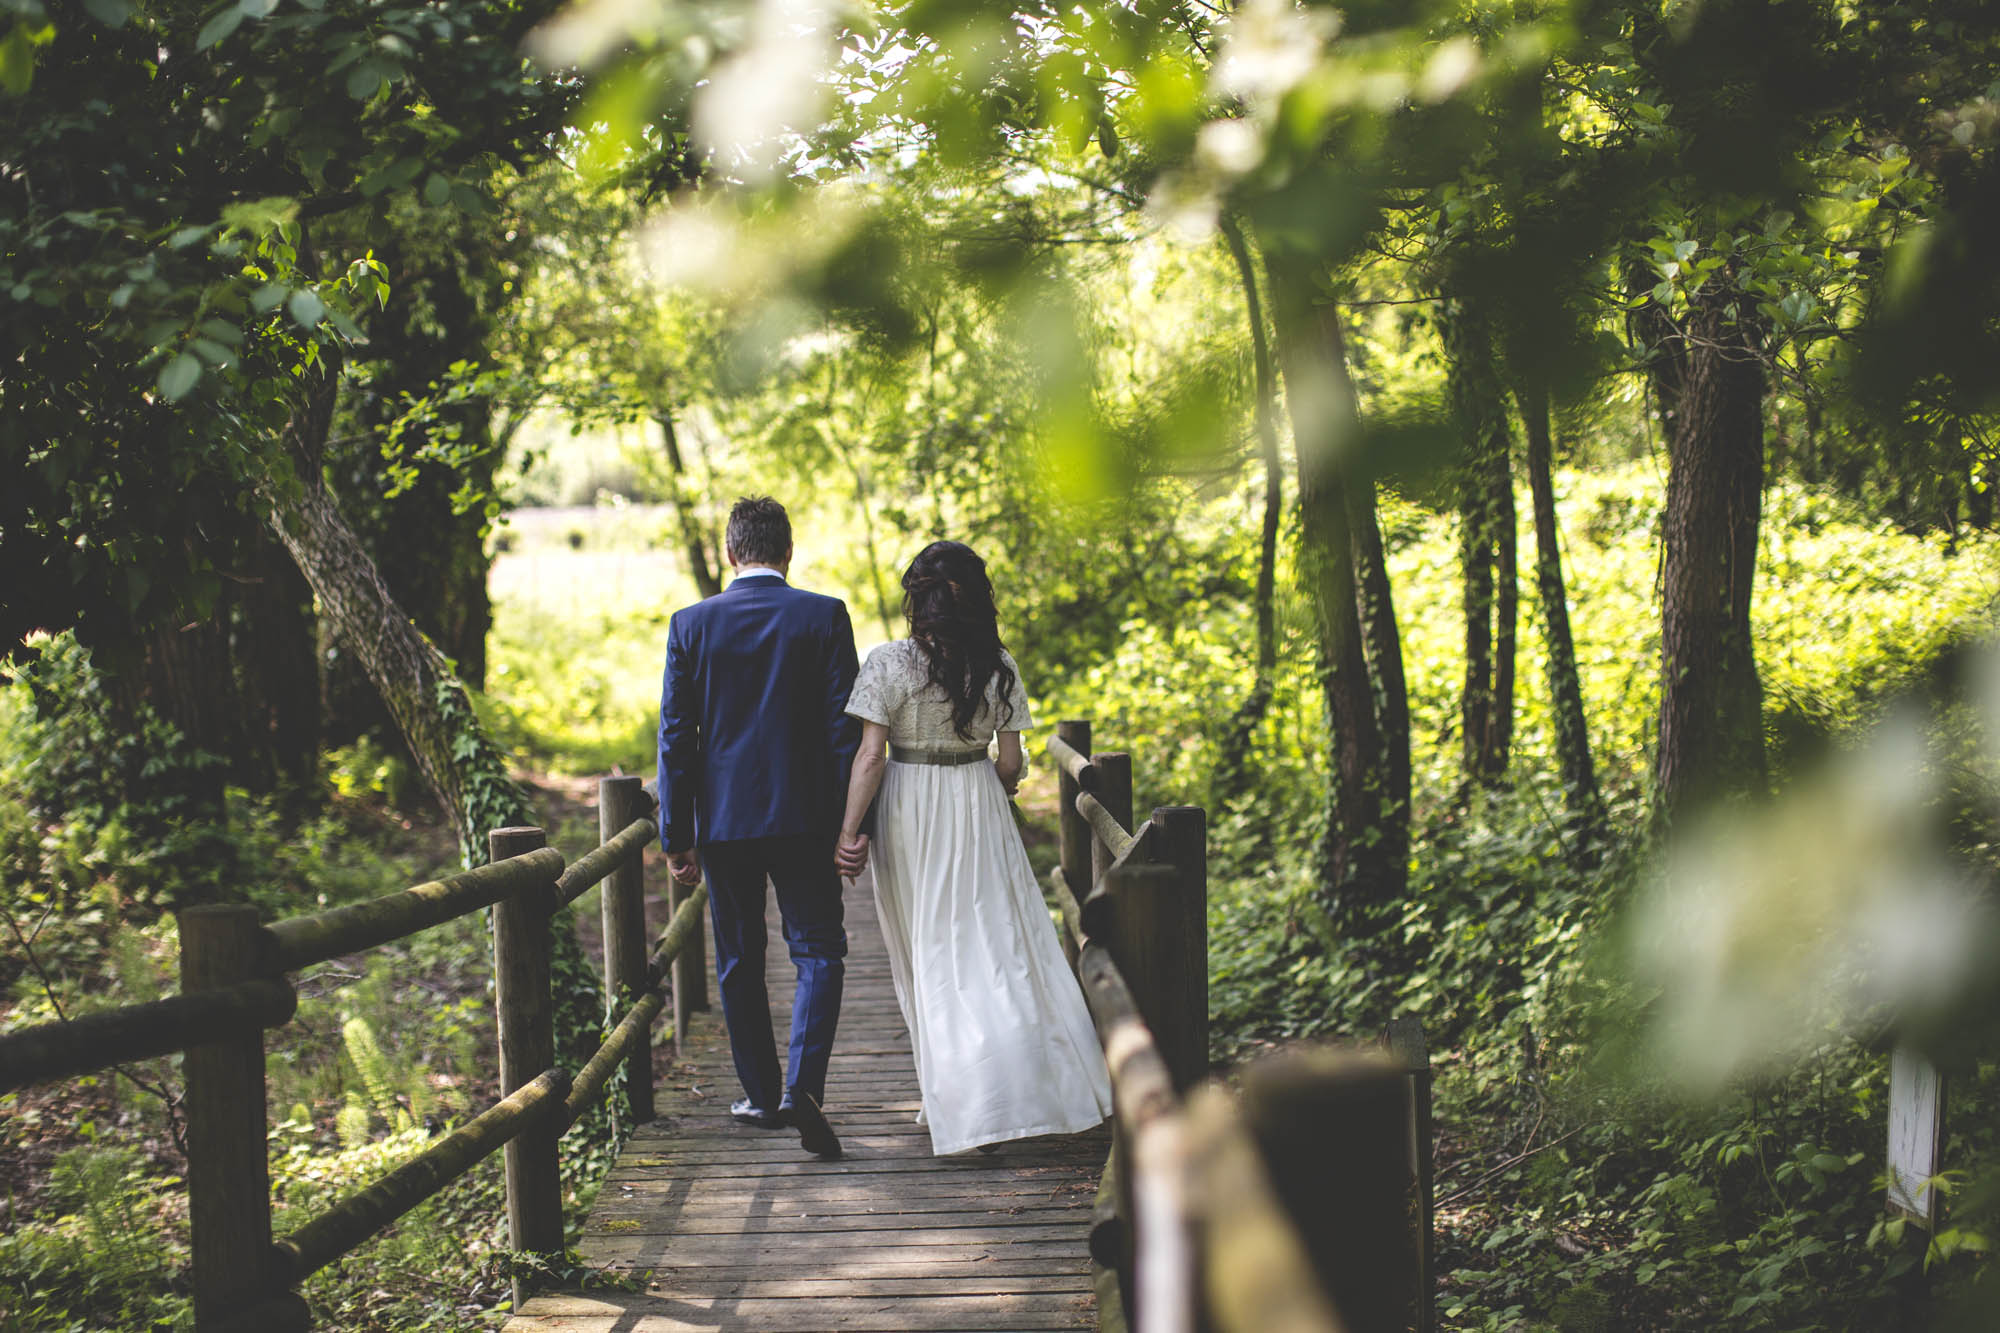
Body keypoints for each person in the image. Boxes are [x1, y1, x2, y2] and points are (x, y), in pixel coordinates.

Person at [834, 541, 1113, 1155]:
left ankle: (961, 1102)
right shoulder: (1000, 665)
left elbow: (870, 756)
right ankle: (1016, 1090)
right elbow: (1010, 761)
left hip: (908, 805)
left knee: (927, 946)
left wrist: (850, 832)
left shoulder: (887, 662)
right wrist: (995, 789)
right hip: (978, 800)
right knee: (996, 941)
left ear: (917, 599)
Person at [656, 496, 859, 1158]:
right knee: (819, 950)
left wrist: (675, 831)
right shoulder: (824, 616)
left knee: (740, 957)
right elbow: (843, 733)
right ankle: (805, 1085)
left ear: (730, 551)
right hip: (807, 820)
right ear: (788, 551)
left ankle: (763, 1094)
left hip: (725, 824)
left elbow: (676, 737)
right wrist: (849, 826)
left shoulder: (691, 624)